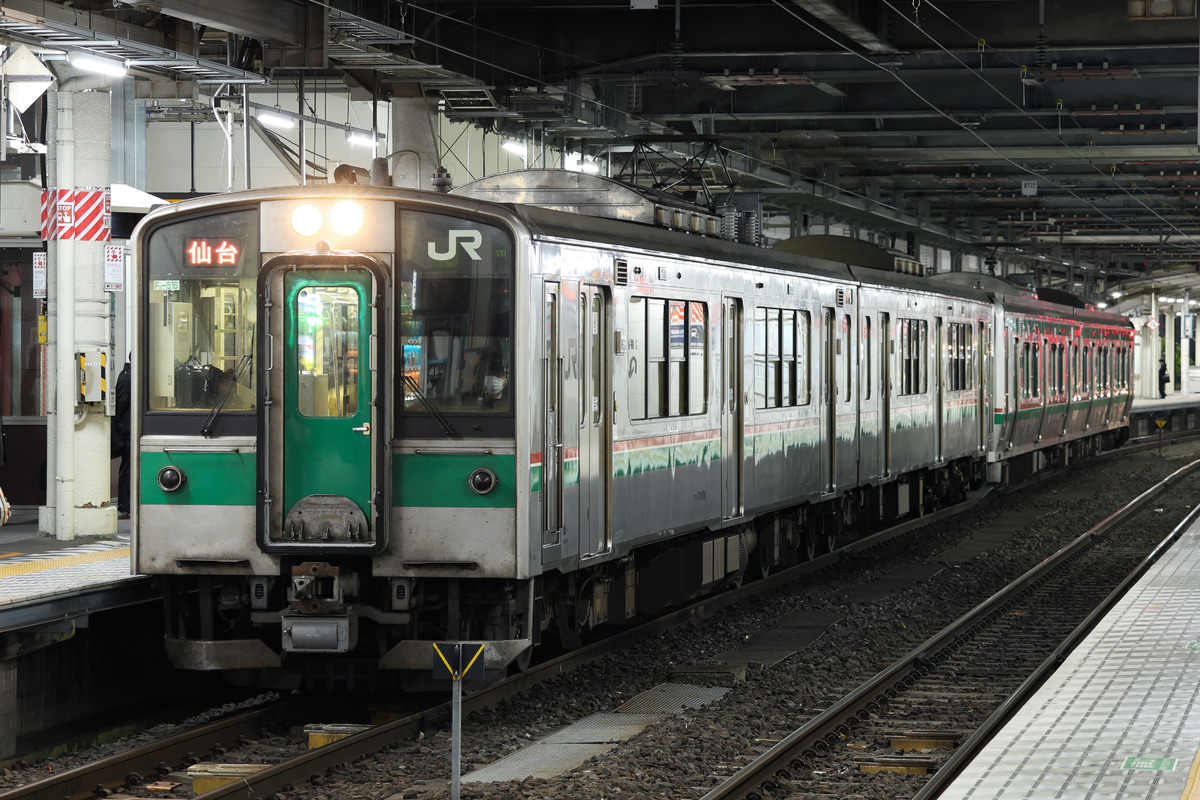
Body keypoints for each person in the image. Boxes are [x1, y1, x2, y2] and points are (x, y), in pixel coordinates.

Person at [112, 358, 131, 518]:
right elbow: (121, 407)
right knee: (128, 470)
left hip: (129, 430)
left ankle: (128, 505)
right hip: (127, 432)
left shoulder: (131, 375)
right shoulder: (127, 376)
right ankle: (125, 506)